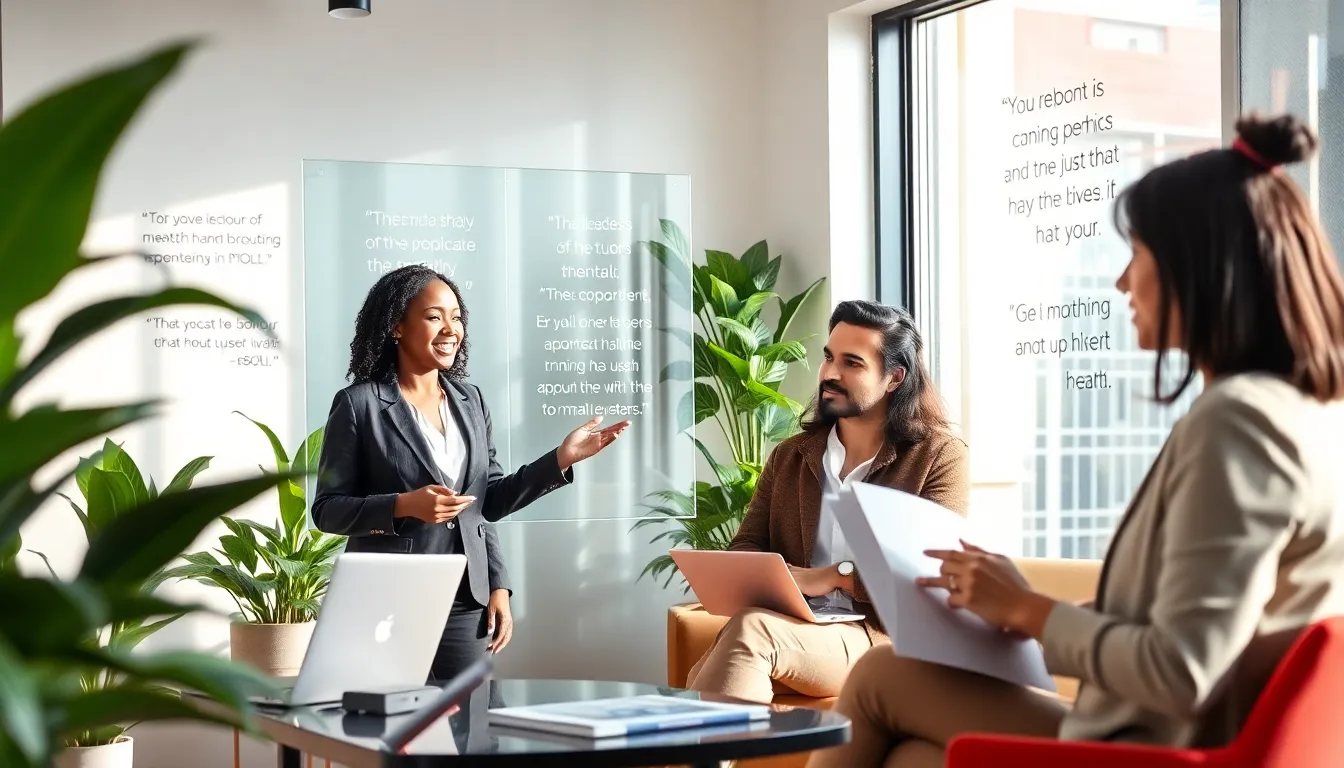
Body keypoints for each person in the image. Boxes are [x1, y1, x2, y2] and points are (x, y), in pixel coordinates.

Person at [807, 113, 1344, 768]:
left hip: (1156, 747)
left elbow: (1182, 667)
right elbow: (1185, 618)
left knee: (876, 681)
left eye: (1137, 255)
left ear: (1198, 270)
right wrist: (1016, 605)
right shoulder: (1311, 413)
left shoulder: (1238, 424)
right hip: (1188, 736)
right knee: (910, 750)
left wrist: (1031, 612)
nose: (1122, 283)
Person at [312, 265, 629, 681]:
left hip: (465, 598)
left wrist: (561, 459)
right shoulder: (359, 404)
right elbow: (327, 510)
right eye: (434, 316)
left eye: (457, 317)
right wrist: (404, 505)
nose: (451, 329)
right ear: (396, 327)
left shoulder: (470, 401)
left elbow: (486, 502)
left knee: (474, 728)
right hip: (390, 598)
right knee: (391, 732)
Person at [685, 300, 970, 703]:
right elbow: (746, 548)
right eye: (828, 357)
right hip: (795, 626)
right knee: (727, 656)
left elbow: (929, 576)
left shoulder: (938, 456)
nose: (830, 374)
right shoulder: (791, 455)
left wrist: (836, 575)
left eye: (852, 363)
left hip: (881, 640)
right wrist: (795, 579)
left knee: (749, 633)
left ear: (894, 378)